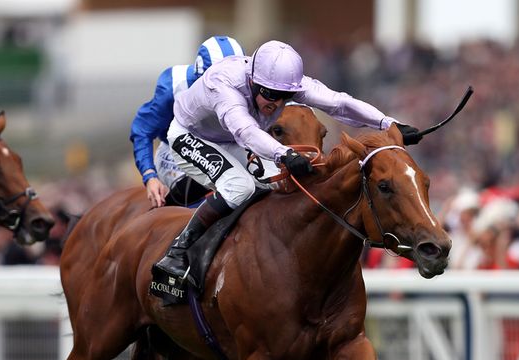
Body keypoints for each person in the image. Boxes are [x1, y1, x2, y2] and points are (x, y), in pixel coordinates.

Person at [154, 40, 422, 280]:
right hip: (191, 135)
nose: (276, 103)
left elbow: (339, 103)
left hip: (229, 138)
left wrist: (389, 123)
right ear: (254, 81)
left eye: (284, 97)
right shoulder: (224, 86)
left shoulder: (282, 83)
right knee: (240, 187)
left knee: (276, 183)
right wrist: (285, 154)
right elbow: (245, 132)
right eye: (270, 94)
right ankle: (177, 252)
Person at [131, 35, 244, 208]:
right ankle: (186, 234)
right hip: (178, 151)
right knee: (198, 193)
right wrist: (150, 176)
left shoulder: (248, 82)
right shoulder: (173, 86)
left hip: (225, 147)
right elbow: (142, 131)